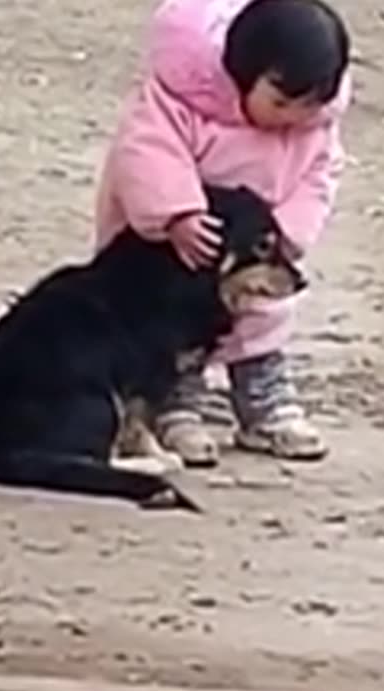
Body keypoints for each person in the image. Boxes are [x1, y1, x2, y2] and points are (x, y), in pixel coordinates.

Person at [94, 0, 351, 466]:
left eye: (308, 104)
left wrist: (287, 231)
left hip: (252, 248)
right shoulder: (185, 98)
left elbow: (321, 174)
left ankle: (264, 400)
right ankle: (177, 404)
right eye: (279, 101)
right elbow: (147, 150)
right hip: (177, 246)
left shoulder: (313, 127)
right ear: (241, 74)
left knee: (263, 314)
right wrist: (176, 212)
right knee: (172, 328)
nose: (292, 116)